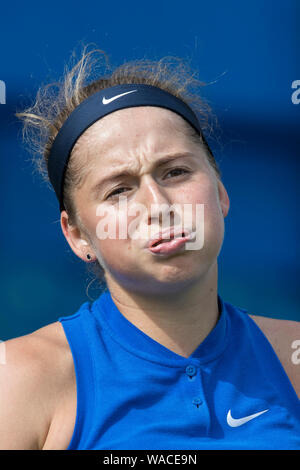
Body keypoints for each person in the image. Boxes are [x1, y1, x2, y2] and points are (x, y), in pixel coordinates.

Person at [1, 47, 299, 450]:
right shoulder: (18, 379)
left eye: (176, 171)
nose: (158, 206)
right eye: (119, 190)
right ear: (77, 236)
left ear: (221, 192)